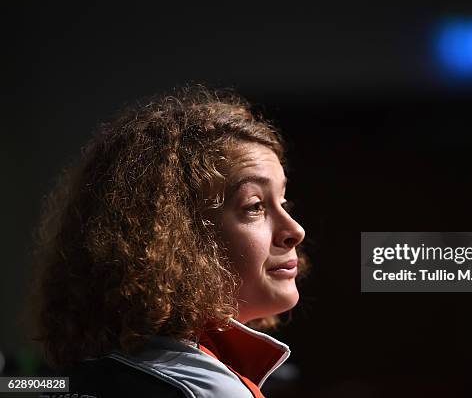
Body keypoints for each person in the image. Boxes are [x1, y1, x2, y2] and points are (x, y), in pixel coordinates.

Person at [32, 85, 307, 397]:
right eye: (254, 206)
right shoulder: (208, 390)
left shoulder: (61, 380)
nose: (296, 230)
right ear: (176, 235)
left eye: (283, 203)